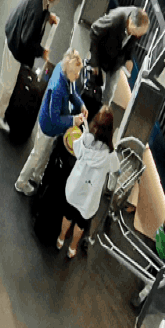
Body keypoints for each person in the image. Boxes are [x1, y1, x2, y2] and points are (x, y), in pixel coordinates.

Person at [0, 0, 66, 129]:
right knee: (7, 84)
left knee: (9, 78)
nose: (57, 2)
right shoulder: (36, 9)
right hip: (15, 44)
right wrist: (42, 52)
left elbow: (41, 6)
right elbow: (27, 40)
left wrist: (47, 15)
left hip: (15, 26)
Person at [15, 49, 86, 195]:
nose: (78, 76)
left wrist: (81, 105)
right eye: (76, 73)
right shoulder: (58, 88)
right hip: (48, 125)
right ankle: (21, 182)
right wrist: (73, 120)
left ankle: (36, 176)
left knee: (45, 152)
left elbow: (73, 92)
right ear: (69, 70)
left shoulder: (63, 68)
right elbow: (55, 117)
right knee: (37, 154)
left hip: (53, 127)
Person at [59, 107, 121, 258]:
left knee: (68, 215)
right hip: (89, 196)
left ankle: (61, 239)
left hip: (75, 187)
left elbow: (75, 149)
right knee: (81, 223)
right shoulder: (109, 155)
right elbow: (116, 168)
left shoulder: (85, 139)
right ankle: (72, 248)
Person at [89, 5, 149, 99]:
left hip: (116, 58)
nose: (138, 36)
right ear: (131, 24)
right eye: (138, 32)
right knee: (93, 83)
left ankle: (104, 109)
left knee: (109, 91)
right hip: (101, 52)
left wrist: (128, 58)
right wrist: (94, 63)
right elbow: (94, 31)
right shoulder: (115, 18)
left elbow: (132, 41)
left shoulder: (136, 24)